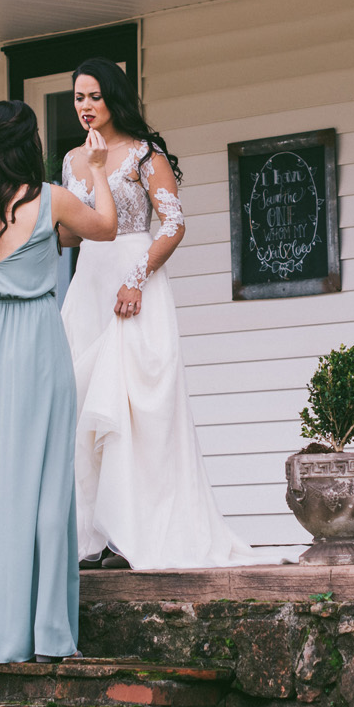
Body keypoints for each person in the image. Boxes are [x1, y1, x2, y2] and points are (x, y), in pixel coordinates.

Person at [58, 59, 278, 569]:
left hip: (134, 285)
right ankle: (92, 535)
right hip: (88, 285)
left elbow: (173, 224)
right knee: (84, 410)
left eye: (93, 97)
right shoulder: (72, 160)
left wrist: (136, 279)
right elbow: (71, 230)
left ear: (113, 97)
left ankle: (134, 534)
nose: (85, 107)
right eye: (77, 98)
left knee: (137, 411)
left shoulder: (144, 154)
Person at [0, 100, 117, 664]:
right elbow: (105, 228)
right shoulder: (48, 198)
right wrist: (96, 169)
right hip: (37, 345)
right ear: (29, 143)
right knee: (42, 485)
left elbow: (22, 248)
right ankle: (45, 633)